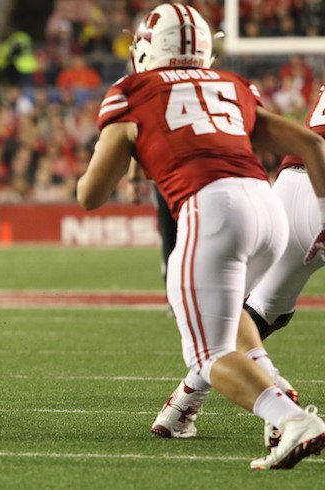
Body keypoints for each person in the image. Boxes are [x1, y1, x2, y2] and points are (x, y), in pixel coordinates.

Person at [76, 3, 325, 469]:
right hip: (269, 209)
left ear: (148, 48)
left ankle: (289, 417)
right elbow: (311, 143)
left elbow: (91, 195)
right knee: (232, 319)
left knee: (210, 353)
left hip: (213, 209)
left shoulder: (132, 90)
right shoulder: (232, 84)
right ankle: (271, 387)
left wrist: (112, 151)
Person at [152, 84, 325, 447]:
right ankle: (276, 401)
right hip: (312, 176)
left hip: (294, 183)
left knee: (263, 309)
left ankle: (184, 402)